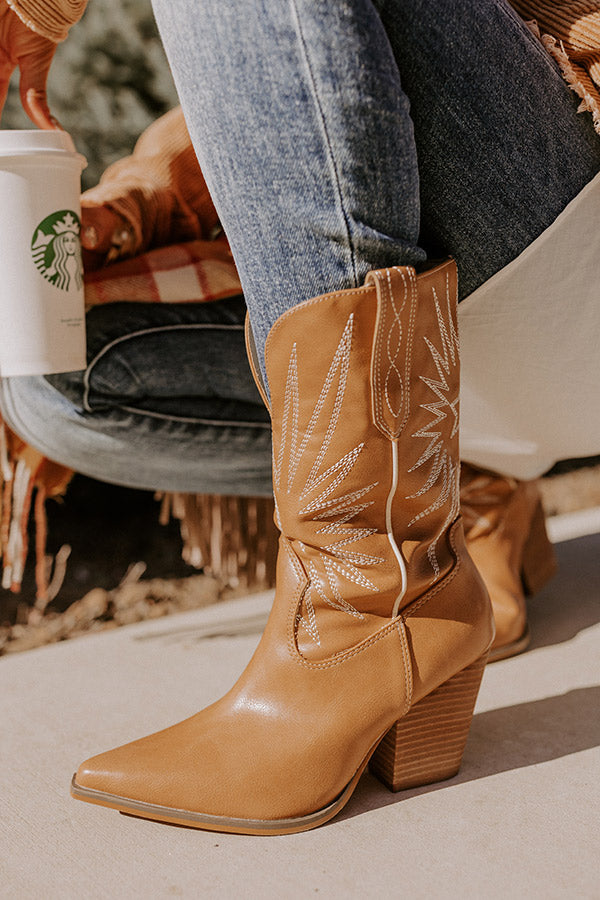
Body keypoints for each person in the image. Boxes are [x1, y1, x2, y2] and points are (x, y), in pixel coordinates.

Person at [1, 0, 600, 835]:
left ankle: (364, 617)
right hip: (490, 335)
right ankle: (454, 507)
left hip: (572, 242)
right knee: (61, 379)